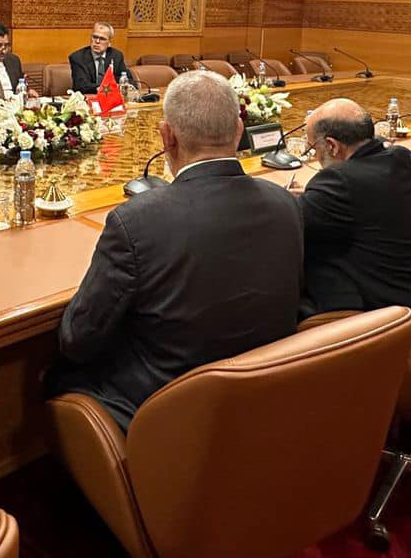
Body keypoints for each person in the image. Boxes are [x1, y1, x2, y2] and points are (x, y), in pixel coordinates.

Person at [45, 71, 302, 431]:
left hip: (169, 412)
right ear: (239, 131)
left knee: (55, 375)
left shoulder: (136, 221)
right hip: (266, 399)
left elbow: (77, 339)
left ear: (167, 136)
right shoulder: (286, 203)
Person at [288, 98, 411, 318]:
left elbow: (291, 227)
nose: (316, 156)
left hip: (389, 310)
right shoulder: (404, 158)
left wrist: (283, 197)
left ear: (332, 146)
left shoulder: (338, 181)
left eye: (313, 148)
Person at [68, 21, 134, 95]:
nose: (97, 41)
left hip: (111, 98)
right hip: (88, 97)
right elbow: (80, 86)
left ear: (109, 42)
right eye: (94, 37)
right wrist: (106, 88)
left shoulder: (116, 56)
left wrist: (117, 86)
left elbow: (129, 80)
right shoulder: (77, 57)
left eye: (102, 39)